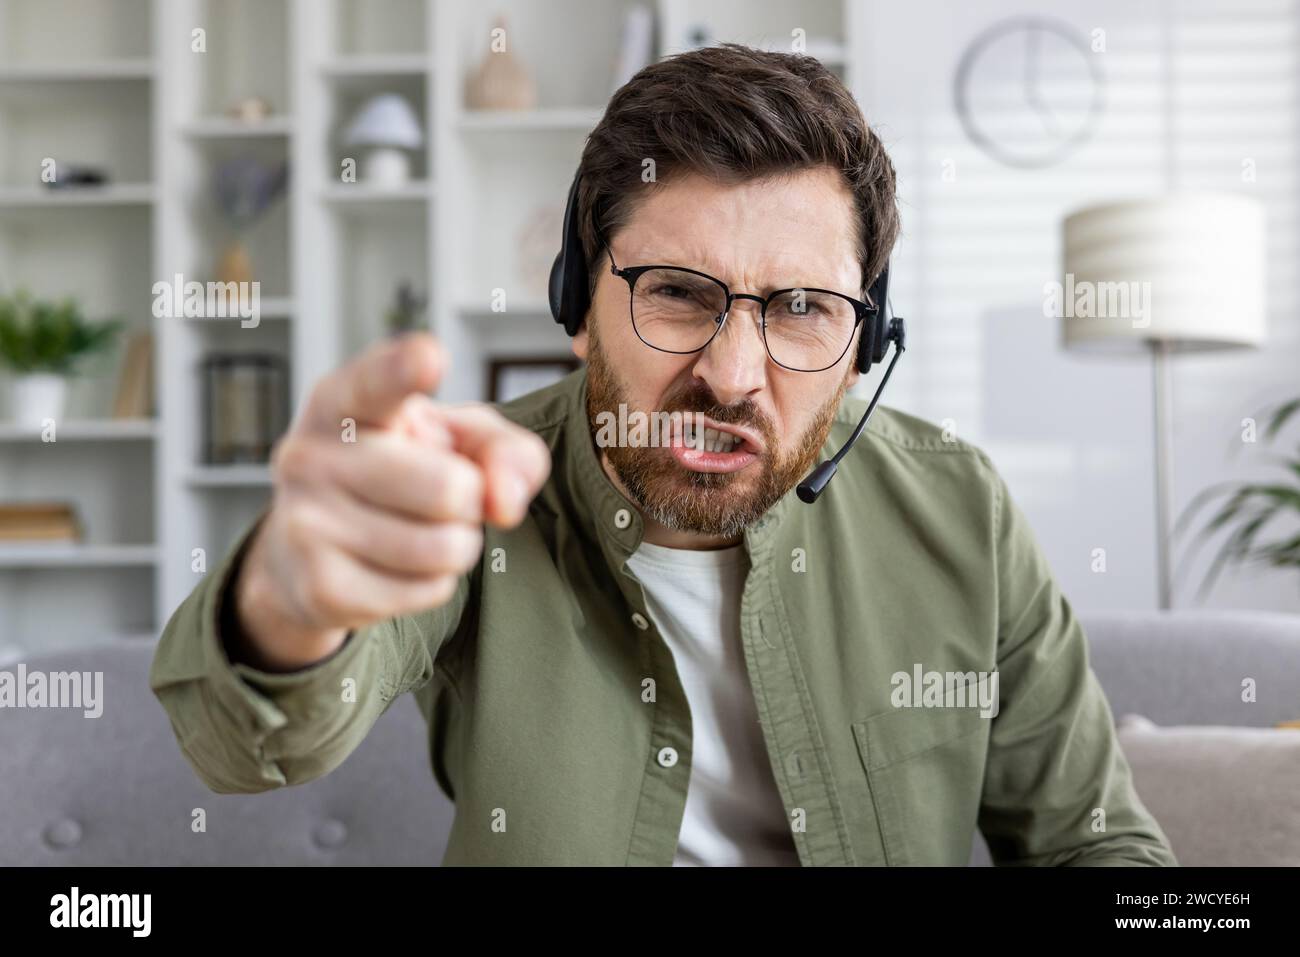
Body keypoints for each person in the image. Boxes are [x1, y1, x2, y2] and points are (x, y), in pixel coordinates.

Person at [150, 43, 1176, 867]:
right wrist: (287, 609)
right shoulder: (471, 489)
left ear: (865, 344)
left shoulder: (959, 508)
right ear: (577, 306)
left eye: (803, 308)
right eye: (678, 292)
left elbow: (1094, 845)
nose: (731, 374)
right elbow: (252, 747)